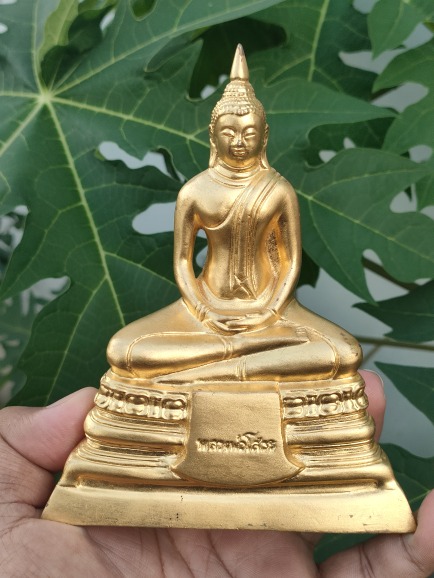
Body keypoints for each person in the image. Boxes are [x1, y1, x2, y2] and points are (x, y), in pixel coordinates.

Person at [1, 371, 433, 577]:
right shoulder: (196, 208)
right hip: (196, 322)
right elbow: (185, 267)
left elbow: (283, 272)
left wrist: (259, 314)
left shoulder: (275, 210)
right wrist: (209, 312)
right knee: (135, 350)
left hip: (272, 328)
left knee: (330, 353)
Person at [107, 45, 362, 385]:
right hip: (206, 310)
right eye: (228, 133)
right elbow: (182, 262)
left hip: (269, 311)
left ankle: (217, 365)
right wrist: (203, 311)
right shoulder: (194, 191)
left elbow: (290, 262)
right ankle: (246, 354)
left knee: (344, 352)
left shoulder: (278, 190)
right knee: (124, 350)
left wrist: (269, 312)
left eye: (249, 133)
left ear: (264, 136)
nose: (239, 141)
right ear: (213, 136)